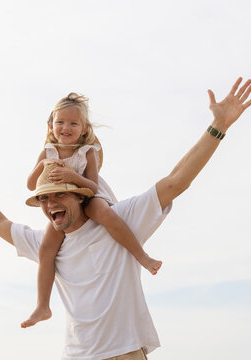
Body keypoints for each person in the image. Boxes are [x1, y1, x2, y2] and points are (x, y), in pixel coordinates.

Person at [0, 78, 251, 360]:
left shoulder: (120, 220)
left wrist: (219, 126)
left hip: (124, 352)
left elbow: (176, 181)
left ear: (79, 195)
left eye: (58, 194)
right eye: (44, 197)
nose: (49, 202)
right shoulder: (50, 242)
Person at [22, 92, 162, 329]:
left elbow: (92, 185)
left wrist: (72, 176)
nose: (66, 128)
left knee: (106, 214)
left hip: (88, 195)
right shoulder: (48, 152)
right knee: (46, 249)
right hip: (65, 204)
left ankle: (142, 256)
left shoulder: (87, 151)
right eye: (60, 122)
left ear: (84, 128)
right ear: (50, 124)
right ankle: (42, 306)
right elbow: (30, 185)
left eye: (73, 123)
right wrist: (43, 165)